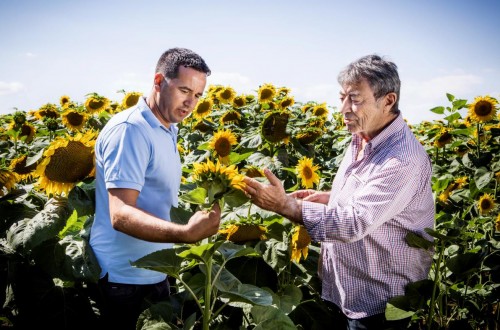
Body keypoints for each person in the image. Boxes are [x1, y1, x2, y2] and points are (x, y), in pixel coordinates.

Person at [243, 54, 434, 330]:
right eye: (342, 97)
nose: (344, 108)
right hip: (346, 289)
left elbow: (354, 222)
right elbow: (370, 199)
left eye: (355, 99)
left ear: (388, 100)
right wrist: (331, 198)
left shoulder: (402, 160)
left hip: (379, 303)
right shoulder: (361, 137)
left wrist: (285, 205)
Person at [89, 47, 221, 329]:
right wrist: (186, 233)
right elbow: (120, 213)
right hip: (125, 279)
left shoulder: (166, 128)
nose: (191, 103)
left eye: (198, 95)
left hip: (156, 269)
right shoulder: (131, 130)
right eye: (185, 90)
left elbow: (156, 198)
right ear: (159, 81)